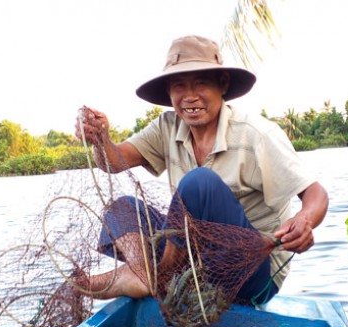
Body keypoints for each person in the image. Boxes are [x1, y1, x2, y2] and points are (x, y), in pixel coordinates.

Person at [75, 35, 328, 305]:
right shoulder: (168, 126)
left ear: (223, 85)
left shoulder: (256, 134)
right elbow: (115, 161)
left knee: (199, 184)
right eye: (179, 86)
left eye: (201, 84)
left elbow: (315, 194)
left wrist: (305, 220)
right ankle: (141, 274)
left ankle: (161, 278)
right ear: (169, 93)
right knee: (122, 209)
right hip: (194, 263)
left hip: (252, 275)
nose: (190, 96)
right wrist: (101, 139)